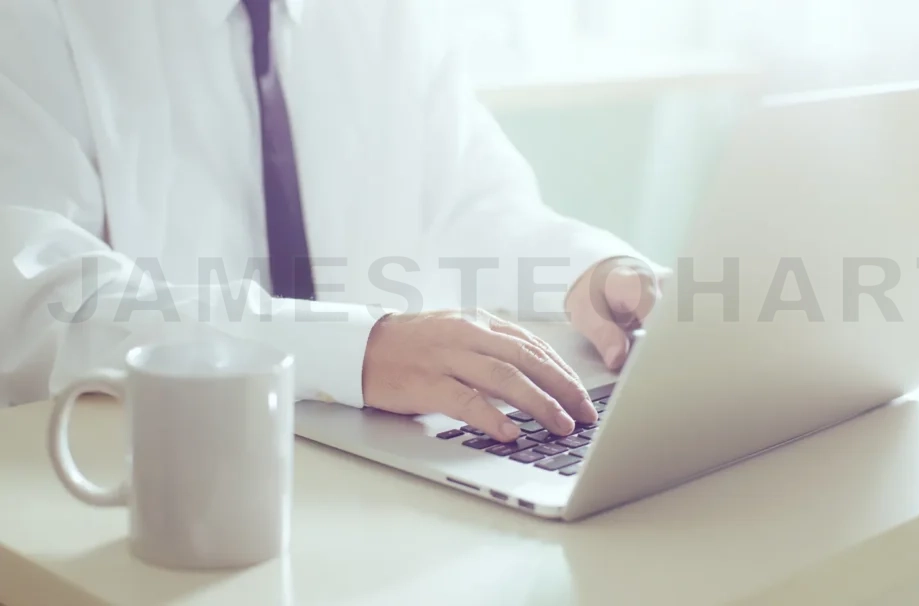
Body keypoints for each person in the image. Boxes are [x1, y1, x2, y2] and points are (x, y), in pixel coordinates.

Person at [0, 0, 660, 442]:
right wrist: (356, 351)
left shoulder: (391, 16)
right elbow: (41, 305)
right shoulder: (35, 20)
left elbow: (471, 199)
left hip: (389, 470)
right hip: (156, 474)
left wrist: (583, 269)